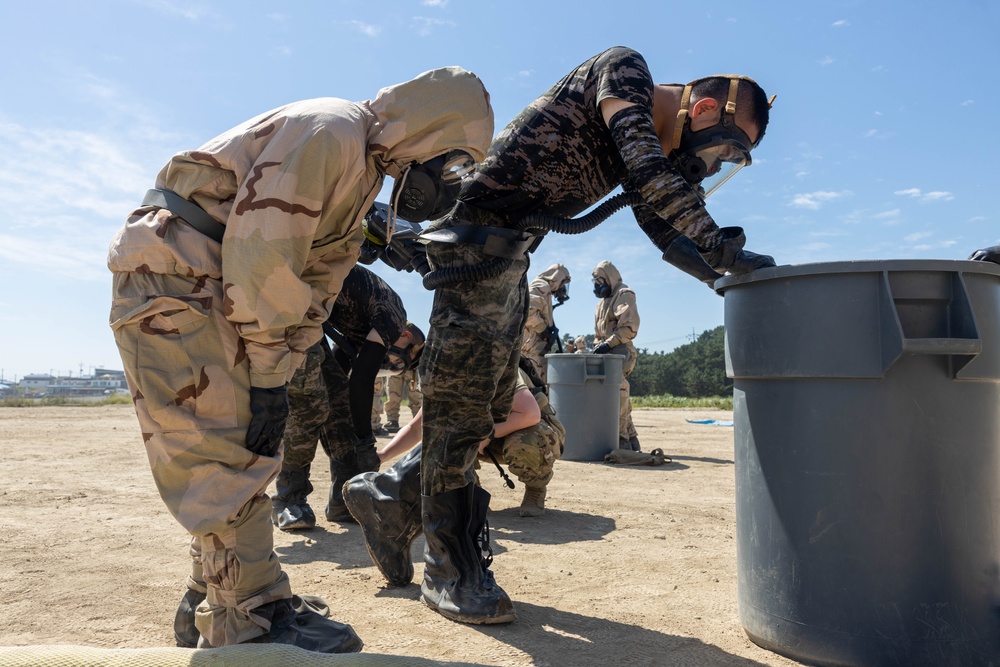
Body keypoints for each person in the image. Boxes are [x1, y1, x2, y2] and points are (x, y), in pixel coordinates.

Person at [358, 46, 775, 626]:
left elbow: (662, 225)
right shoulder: (625, 71)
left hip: (505, 259)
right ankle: (448, 570)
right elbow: (648, 170)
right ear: (703, 107)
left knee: (493, 403)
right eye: (728, 147)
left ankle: (392, 494)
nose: (717, 161)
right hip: (475, 248)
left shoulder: (651, 151)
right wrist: (712, 235)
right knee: (459, 411)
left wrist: (729, 272)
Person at [107, 67, 493, 651]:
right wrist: (267, 376)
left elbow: (317, 284)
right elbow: (263, 262)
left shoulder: (361, 166)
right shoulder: (332, 133)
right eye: (453, 160)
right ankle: (251, 617)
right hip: (178, 280)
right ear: (429, 129)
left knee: (241, 442)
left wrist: (278, 373)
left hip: (207, 282)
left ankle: (211, 593)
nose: (448, 177)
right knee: (223, 444)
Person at [344, 360, 565, 587]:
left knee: (522, 443)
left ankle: (536, 485)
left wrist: (485, 434)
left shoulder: (490, 362)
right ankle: (395, 502)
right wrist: (381, 456)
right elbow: (417, 427)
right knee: (447, 435)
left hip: (529, 430)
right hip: (487, 437)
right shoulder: (444, 370)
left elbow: (530, 414)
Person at [272, 265, 425, 531]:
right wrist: (366, 441)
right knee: (310, 404)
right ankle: (289, 500)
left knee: (338, 406)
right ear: (406, 336)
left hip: (309, 314)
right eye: (405, 355)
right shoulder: (393, 318)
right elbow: (361, 380)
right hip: (292, 300)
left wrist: (346, 423)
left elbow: (341, 381)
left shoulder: (364, 327)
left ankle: (345, 499)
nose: (393, 361)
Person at [591, 260, 641, 451]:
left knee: (618, 393)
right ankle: (631, 439)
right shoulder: (602, 303)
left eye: (599, 280)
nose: (596, 285)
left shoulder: (623, 294)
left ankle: (621, 438)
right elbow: (599, 333)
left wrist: (608, 343)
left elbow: (629, 328)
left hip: (620, 351)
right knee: (615, 396)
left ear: (609, 278)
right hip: (606, 352)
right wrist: (597, 347)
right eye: (594, 281)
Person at [520, 263, 571, 383]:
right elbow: (528, 311)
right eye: (563, 283)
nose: (563, 288)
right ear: (557, 278)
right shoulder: (541, 286)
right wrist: (543, 329)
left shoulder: (545, 290)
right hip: (531, 352)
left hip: (535, 352)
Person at [385, 367, 422, 433]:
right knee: (393, 394)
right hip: (395, 364)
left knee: (416, 396)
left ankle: (417, 420)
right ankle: (392, 420)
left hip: (414, 365)